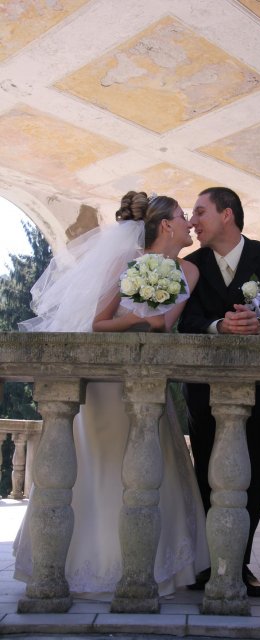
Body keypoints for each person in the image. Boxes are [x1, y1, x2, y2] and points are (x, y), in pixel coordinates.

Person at [14, 191, 210, 597]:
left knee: (148, 465)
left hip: (148, 379)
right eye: (182, 215)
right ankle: (83, 563)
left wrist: (152, 322)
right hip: (106, 383)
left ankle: (145, 564)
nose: (189, 222)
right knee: (98, 465)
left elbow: (166, 323)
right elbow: (97, 323)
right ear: (166, 225)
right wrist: (137, 320)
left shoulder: (189, 270)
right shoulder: (124, 263)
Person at [178, 187, 260, 597]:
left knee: (259, 465)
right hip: (203, 389)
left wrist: (259, 326)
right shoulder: (188, 266)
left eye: (200, 211)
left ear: (226, 214)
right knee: (206, 467)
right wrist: (218, 326)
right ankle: (211, 562)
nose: (192, 221)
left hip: (258, 387)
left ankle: (238, 562)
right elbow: (184, 323)